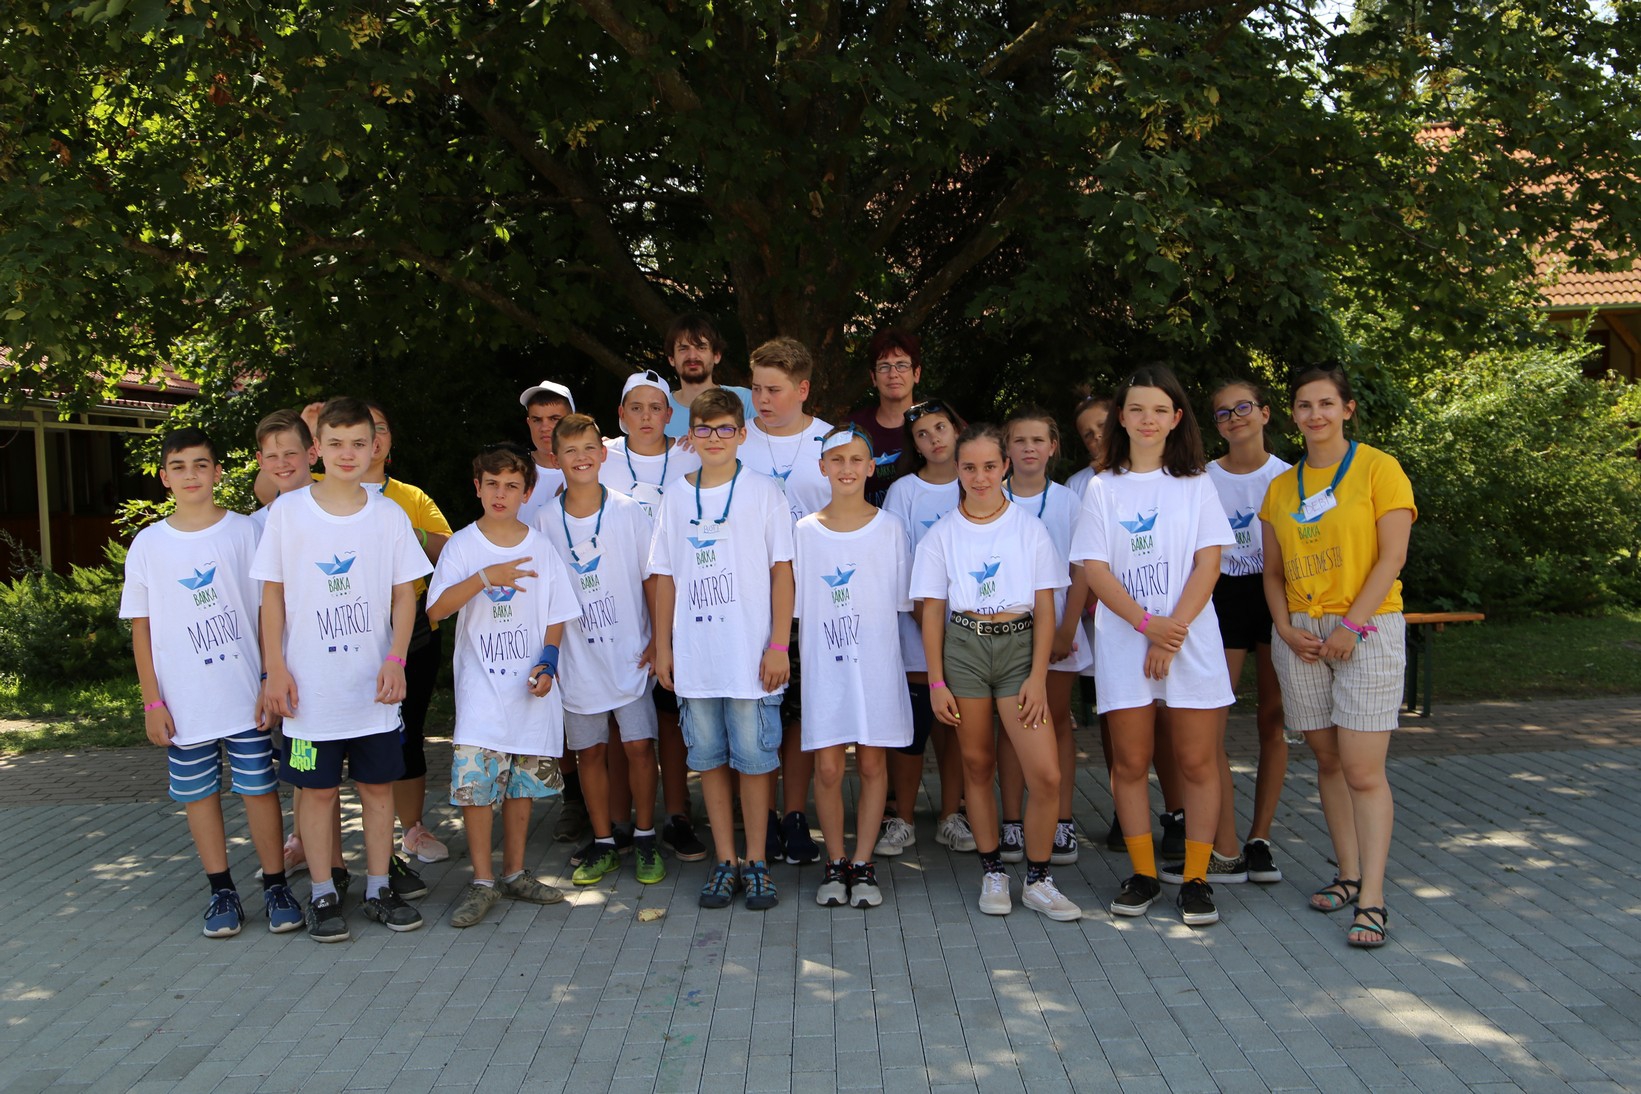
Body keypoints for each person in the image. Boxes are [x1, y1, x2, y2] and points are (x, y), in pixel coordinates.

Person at [253, 396, 434, 940]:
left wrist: (396, 659)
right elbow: (272, 596)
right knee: (317, 792)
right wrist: (275, 669)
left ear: (375, 446)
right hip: (310, 693)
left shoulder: (389, 515)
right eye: (336, 443)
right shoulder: (287, 513)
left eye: (359, 443)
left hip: (371, 689)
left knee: (377, 790)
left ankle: (379, 889)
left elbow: (405, 595)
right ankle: (323, 894)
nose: (348, 453)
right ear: (317, 448)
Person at [121, 427, 302, 937]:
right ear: (164, 477)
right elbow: (142, 629)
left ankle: (275, 885)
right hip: (184, 701)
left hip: (245, 694)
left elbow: (269, 610)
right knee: (199, 795)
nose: (191, 475)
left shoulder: (245, 532)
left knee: (259, 788)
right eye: (178, 467)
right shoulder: (149, 544)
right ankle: (221, 891)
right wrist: (152, 702)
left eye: (201, 464)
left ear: (218, 472)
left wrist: (268, 676)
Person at [1074, 365, 1236, 928]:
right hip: (1127, 641)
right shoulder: (1102, 487)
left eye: (1159, 410)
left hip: (1189, 639)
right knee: (1129, 761)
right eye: (1137, 409)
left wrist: (1172, 632)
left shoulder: (1196, 483)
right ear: (1121, 417)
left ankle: (1195, 879)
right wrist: (1147, 625)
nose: (1148, 419)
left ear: (1176, 418)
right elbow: (1095, 569)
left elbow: (1208, 564)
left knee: (1196, 761)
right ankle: (1142, 874)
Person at [1260, 365, 1415, 949]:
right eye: (1304, 405)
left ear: (1347, 408)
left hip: (1365, 626)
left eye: (1326, 403)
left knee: (1363, 772)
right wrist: (1284, 627)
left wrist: (1350, 626)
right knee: (1327, 761)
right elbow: (1273, 573)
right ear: (1293, 415)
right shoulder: (1281, 487)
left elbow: (1392, 557)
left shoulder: (1379, 468)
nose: (1315, 414)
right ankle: (1347, 875)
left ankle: (1373, 898)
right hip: (1301, 636)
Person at [910, 424, 1080, 921]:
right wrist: (936, 681)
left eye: (989, 466)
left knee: (1045, 774)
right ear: (957, 471)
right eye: (969, 467)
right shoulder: (942, 535)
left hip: (1019, 650)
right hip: (964, 648)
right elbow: (932, 613)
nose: (980, 477)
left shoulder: (1029, 529)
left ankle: (1039, 880)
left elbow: (1045, 609)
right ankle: (993, 872)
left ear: (1005, 466)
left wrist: (1037, 676)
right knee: (978, 765)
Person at [647, 388, 795, 911]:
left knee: (754, 760)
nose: (714, 438)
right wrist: (663, 646)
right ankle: (725, 860)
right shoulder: (675, 496)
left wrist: (779, 644)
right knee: (708, 759)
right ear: (691, 434)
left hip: (750, 656)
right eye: (704, 429)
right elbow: (665, 577)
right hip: (697, 656)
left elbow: (783, 574)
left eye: (725, 428)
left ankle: (756, 861)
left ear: (742, 433)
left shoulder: (764, 492)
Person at [426, 443, 580, 927]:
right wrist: (484, 577)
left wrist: (549, 661)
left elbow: (557, 612)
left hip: (529, 689)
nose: (500, 493)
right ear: (477, 487)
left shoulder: (541, 547)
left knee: (520, 785)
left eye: (512, 485)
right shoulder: (462, 546)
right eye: (492, 484)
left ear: (527, 492)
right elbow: (436, 610)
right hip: (481, 692)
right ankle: (482, 880)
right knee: (477, 788)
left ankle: (515, 872)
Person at [1159, 380, 1291, 887]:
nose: (1234, 418)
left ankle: (1260, 840)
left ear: (1264, 413)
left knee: (1272, 719)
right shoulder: (1203, 477)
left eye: (1243, 408)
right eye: (1222, 412)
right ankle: (1227, 848)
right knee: (1211, 722)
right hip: (1220, 595)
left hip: (1277, 594)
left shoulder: (1287, 477)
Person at [541, 414, 667, 888]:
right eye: (570, 451)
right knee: (589, 753)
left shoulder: (627, 511)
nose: (581, 458)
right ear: (556, 458)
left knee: (639, 747)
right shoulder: (545, 520)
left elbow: (651, 577)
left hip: (630, 653)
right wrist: (549, 654)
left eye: (589, 448)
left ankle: (646, 836)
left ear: (602, 453)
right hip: (577, 659)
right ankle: (603, 843)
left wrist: (659, 639)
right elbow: (544, 595)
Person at [796, 425, 912, 908]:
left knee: (871, 763)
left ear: (871, 467)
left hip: (876, 666)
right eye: (837, 459)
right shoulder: (804, 532)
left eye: (856, 459)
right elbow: (795, 605)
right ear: (822, 467)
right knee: (826, 768)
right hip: (825, 668)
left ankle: (863, 864)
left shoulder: (890, 528)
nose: (847, 468)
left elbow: (902, 603)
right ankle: (835, 861)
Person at [596, 371, 707, 862]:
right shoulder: (602, 457)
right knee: (620, 718)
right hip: (618, 604)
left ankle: (677, 815)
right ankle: (620, 821)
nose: (646, 416)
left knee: (670, 714)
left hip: (677, 600)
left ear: (669, 414)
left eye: (655, 407)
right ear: (621, 414)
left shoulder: (690, 456)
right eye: (635, 407)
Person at [740, 336, 832, 865]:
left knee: (799, 713)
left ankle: (795, 814)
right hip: (752, 603)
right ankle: (763, 817)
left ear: (802, 389)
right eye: (756, 388)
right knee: (759, 712)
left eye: (773, 390)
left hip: (814, 604)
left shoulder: (830, 442)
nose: (762, 400)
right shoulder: (736, 440)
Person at [995, 408, 1092, 868]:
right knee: (1013, 725)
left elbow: (1083, 567)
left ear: (1053, 447)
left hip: (1058, 630)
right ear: (1007, 449)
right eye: (1020, 440)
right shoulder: (992, 496)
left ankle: (1061, 820)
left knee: (1056, 720)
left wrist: (1067, 628)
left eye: (1038, 440)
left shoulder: (1069, 501)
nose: (1029, 448)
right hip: (1005, 633)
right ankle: (1013, 820)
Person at [878, 399, 970, 858]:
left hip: (971, 635)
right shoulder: (904, 491)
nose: (934, 439)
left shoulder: (978, 483)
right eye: (922, 434)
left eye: (940, 428)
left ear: (957, 430)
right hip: (917, 630)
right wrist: (930, 626)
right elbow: (899, 564)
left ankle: (952, 816)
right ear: (913, 445)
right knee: (913, 727)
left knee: (955, 729)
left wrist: (961, 632)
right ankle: (904, 820)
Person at [1062, 395, 1124, 851]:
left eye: (1103, 425)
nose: (1098, 437)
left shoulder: (1163, 473)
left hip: (1159, 616)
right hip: (1103, 622)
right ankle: (1126, 813)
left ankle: (1177, 814)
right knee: (1115, 719)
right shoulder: (1079, 485)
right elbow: (1079, 562)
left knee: (1168, 721)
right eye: (1088, 433)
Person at [847, 327, 923, 507]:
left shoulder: (937, 425)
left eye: (902, 365)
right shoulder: (853, 428)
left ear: (916, 373)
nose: (893, 374)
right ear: (873, 377)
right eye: (884, 367)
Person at [661, 314, 754, 439]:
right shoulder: (658, 411)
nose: (692, 356)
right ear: (671, 358)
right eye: (683, 349)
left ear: (717, 356)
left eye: (701, 348)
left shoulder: (745, 401)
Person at [517, 380, 574, 528]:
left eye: (554, 419)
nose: (544, 427)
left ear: (572, 420)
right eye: (537, 420)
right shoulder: (512, 470)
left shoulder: (593, 467)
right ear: (529, 422)